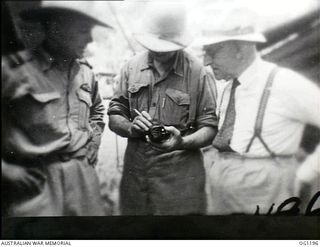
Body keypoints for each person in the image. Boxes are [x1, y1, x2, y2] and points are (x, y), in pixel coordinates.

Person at [196, 7, 320, 215]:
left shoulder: (284, 83)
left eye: (213, 51)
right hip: (223, 188)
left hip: (265, 192)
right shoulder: (228, 85)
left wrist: (306, 173)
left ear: (240, 49)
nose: (206, 61)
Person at [2, 1, 113, 216]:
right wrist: (5, 170)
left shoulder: (86, 73)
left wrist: (96, 137)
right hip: (38, 186)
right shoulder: (15, 70)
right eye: (83, 31)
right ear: (55, 28)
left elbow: (98, 111)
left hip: (84, 182)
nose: (90, 39)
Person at [108, 3, 218, 215]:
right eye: (154, 44)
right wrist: (130, 127)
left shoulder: (198, 72)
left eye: (165, 46)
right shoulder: (131, 67)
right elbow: (115, 113)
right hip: (136, 176)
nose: (158, 51)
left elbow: (210, 127)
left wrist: (182, 142)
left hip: (180, 181)